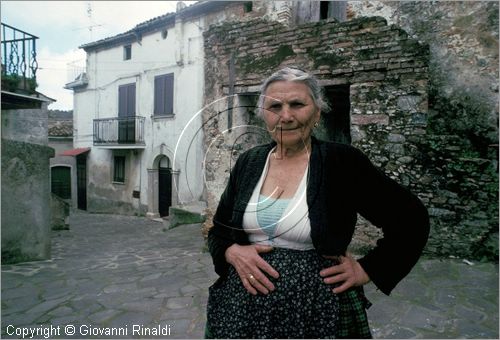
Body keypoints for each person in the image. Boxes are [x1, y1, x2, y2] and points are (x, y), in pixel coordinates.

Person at [205, 67, 430, 338]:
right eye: (275, 106)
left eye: (297, 104)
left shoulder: (342, 162)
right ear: (263, 114)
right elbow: (218, 230)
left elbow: (411, 220)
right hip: (242, 310)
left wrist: (367, 269)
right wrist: (231, 252)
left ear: (317, 113)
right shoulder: (249, 162)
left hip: (318, 309)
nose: (285, 116)